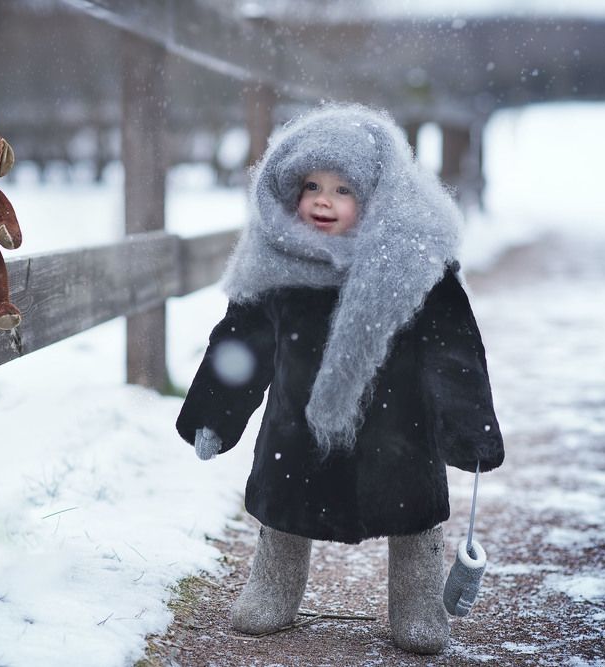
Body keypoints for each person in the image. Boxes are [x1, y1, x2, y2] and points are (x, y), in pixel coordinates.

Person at [176, 104, 504, 655]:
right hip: (297, 424)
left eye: (342, 189)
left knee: (412, 514)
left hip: (400, 428)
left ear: (377, 195)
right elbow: (241, 345)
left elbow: (454, 352)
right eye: (312, 186)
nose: (322, 201)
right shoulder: (274, 262)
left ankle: (418, 601)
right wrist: (215, 413)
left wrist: (469, 429)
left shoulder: (418, 262)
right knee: (285, 506)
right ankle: (274, 587)